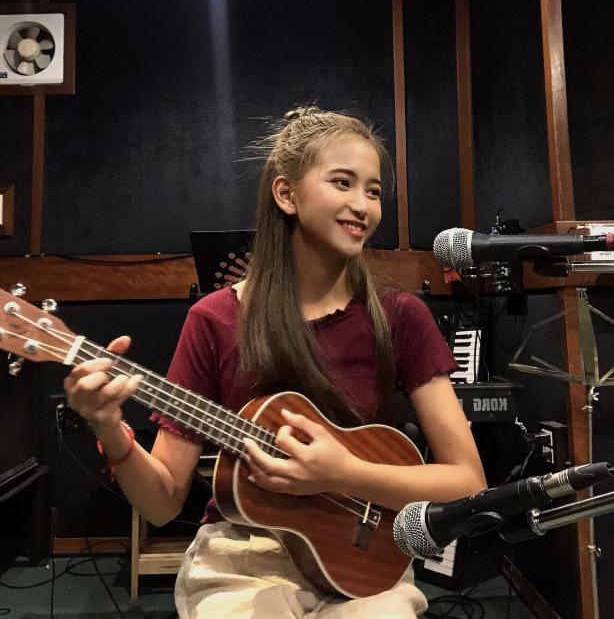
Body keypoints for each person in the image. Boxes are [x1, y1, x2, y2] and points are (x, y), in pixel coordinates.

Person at [65, 106, 486, 618]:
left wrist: (343, 474)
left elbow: (468, 483)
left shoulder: (400, 315)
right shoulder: (214, 319)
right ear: (286, 194)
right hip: (242, 558)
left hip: (363, 561)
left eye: (374, 191)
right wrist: (109, 428)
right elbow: (163, 503)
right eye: (343, 182)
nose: (363, 206)